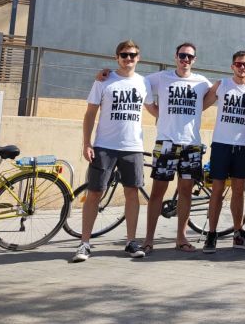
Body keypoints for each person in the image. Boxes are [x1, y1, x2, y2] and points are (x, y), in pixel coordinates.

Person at [73, 40, 148, 262]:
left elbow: (156, 105)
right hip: (104, 146)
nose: (128, 59)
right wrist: (87, 143)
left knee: (132, 193)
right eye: (124, 55)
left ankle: (131, 241)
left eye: (132, 55)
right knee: (95, 192)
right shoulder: (104, 81)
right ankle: (84, 243)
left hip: (133, 147)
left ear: (138, 57)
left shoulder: (144, 83)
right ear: (117, 57)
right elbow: (89, 115)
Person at [141, 43, 214, 254]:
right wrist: (157, 112)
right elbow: (139, 82)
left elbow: (219, 92)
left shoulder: (201, 82)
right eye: (182, 56)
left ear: (195, 60)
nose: (186, 60)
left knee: (185, 192)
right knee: (158, 192)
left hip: (191, 144)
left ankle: (181, 238)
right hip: (166, 143)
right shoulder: (161, 78)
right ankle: (148, 239)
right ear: (176, 57)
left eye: (190, 57)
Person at [201, 50, 245, 253]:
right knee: (217, 190)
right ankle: (211, 235)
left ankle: (238, 234)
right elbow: (201, 105)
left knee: (239, 190)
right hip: (221, 144)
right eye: (238, 64)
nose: (242, 67)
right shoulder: (222, 84)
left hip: (241, 146)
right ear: (232, 66)